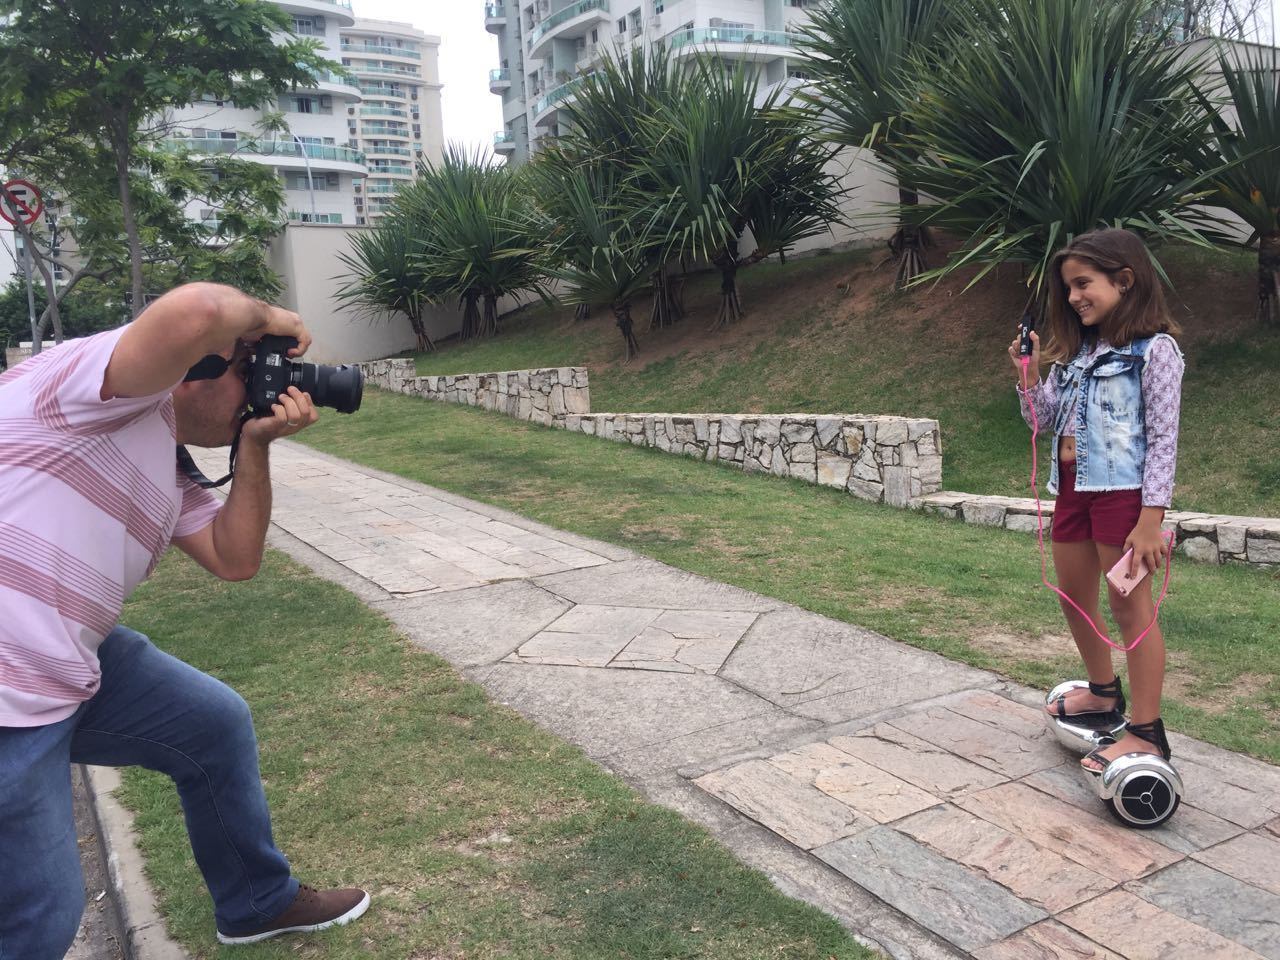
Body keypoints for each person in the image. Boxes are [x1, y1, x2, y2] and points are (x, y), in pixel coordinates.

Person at [0, 282, 370, 955]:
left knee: (211, 722)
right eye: (255, 375)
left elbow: (235, 557)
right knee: (40, 912)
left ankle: (256, 901)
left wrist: (255, 443)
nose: (266, 392)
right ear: (200, 369)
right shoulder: (96, 386)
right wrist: (277, 319)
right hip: (10, 690)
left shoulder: (164, 459)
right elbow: (197, 311)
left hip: (66, 663)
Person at [1007, 228, 1184, 773]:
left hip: (1123, 499)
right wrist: (1029, 374)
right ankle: (1104, 693)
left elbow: (1163, 438)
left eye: (1084, 283)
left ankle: (1148, 734)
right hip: (1072, 495)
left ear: (1124, 280)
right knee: (1075, 597)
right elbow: (1037, 421)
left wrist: (1150, 519)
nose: (1075, 296)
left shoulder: (1154, 352)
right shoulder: (1078, 357)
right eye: (1069, 288)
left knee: (1132, 610)